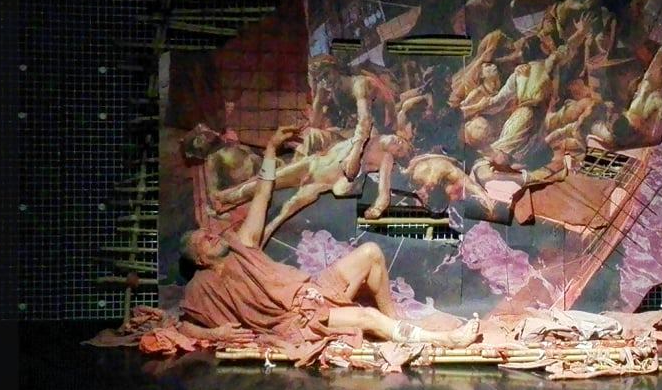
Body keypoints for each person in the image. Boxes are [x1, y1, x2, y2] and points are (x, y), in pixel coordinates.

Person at [177, 125, 481, 361]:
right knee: (366, 316)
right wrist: (217, 333)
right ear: (200, 260)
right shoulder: (200, 288)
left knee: (371, 252)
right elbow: (181, 325)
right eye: (204, 240)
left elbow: (263, 194)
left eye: (209, 232)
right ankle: (445, 340)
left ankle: (394, 325)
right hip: (299, 317)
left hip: (315, 289)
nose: (212, 235)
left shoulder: (243, 244)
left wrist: (270, 149)